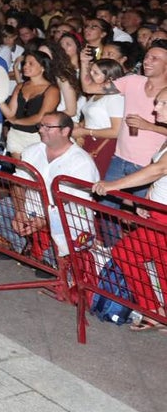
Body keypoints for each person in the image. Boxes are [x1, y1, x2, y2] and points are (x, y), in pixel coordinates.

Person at [0, 112, 98, 268]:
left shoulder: (81, 161)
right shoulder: (32, 150)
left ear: (65, 131)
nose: (41, 130)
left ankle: (49, 258)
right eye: (41, 126)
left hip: (66, 217)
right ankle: (24, 246)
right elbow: (18, 183)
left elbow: (76, 202)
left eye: (48, 127)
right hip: (33, 208)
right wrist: (20, 211)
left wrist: (45, 220)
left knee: (62, 246)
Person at [91, 87, 167, 330]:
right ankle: (160, 313)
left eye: (163, 103)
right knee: (162, 263)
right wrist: (146, 199)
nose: (155, 108)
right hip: (158, 211)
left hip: (164, 217)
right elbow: (160, 175)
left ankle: (152, 311)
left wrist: (114, 185)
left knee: (126, 251)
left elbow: (159, 169)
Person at [80, 40, 167, 204]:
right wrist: (84, 63)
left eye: (154, 58)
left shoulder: (165, 95)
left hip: (148, 166)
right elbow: (89, 88)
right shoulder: (132, 81)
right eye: (147, 57)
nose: (147, 61)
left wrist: (149, 126)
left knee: (143, 213)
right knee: (106, 210)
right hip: (119, 158)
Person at [1, 50, 61, 158]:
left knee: (34, 167)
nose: (25, 66)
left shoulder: (52, 90)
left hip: (37, 136)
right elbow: (10, 113)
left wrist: (16, 121)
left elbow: (41, 117)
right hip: (16, 134)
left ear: (42, 67)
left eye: (31, 63)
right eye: (25, 63)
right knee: (19, 167)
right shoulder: (20, 86)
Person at [71, 58, 125, 177]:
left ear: (109, 79)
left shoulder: (115, 98)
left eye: (95, 73)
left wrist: (84, 131)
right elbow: (91, 118)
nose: (90, 75)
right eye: (91, 71)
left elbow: (116, 131)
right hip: (89, 139)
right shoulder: (96, 94)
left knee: (94, 177)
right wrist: (79, 128)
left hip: (104, 144)